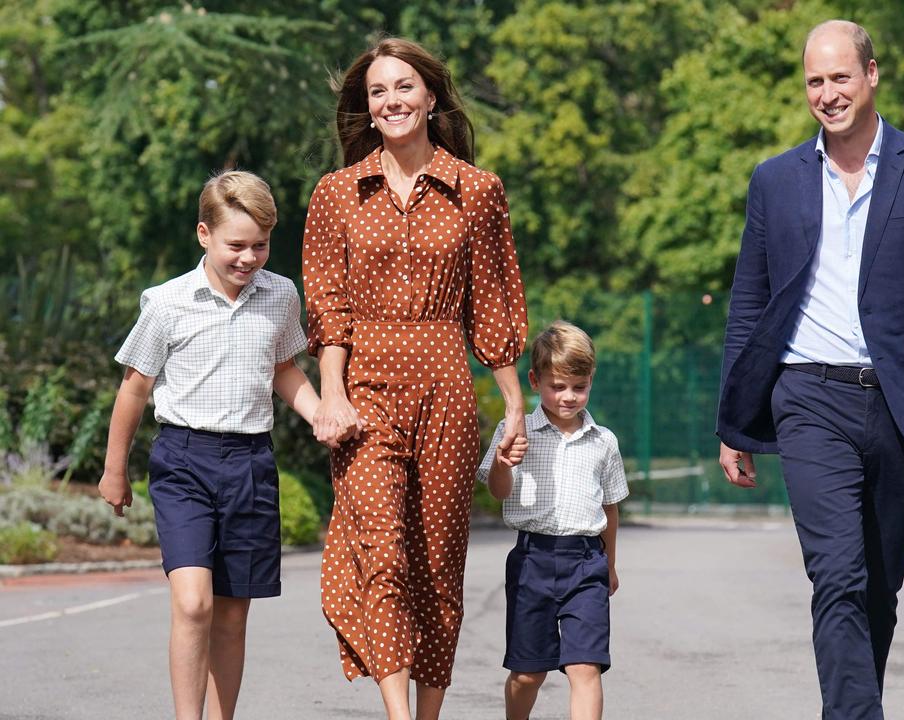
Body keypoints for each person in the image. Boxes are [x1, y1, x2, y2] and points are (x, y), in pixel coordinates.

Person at [716, 19, 904, 719]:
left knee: (877, 587)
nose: (827, 93)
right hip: (807, 395)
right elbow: (748, 305)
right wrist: (734, 422)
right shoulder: (776, 180)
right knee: (836, 575)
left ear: (872, 76)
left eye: (840, 77)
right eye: (815, 80)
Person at [302, 37, 529, 720]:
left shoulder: (478, 190)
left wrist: (514, 406)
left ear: (430, 97)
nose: (392, 101)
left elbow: (492, 303)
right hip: (365, 389)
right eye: (378, 92)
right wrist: (333, 395)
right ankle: (399, 714)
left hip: (446, 389)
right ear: (366, 109)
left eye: (404, 87)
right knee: (384, 549)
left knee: (437, 562)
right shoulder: (338, 193)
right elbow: (328, 307)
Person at [97, 170, 320, 720]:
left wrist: (320, 413)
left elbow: (284, 369)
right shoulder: (168, 302)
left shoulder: (280, 294)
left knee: (231, 614)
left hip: (250, 463)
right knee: (194, 602)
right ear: (204, 234)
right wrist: (114, 469)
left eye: (260, 245)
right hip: (183, 462)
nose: (249, 258)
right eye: (235, 246)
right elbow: (135, 388)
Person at [477, 321, 628, 720]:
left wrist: (609, 565)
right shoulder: (513, 431)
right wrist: (502, 462)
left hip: (586, 564)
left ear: (590, 381)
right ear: (534, 380)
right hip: (532, 562)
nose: (568, 397)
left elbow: (610, 508)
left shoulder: (604, 441)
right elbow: (497, 491)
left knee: (585, 667)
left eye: (579, 387)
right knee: (529, 674)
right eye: (557, 386)